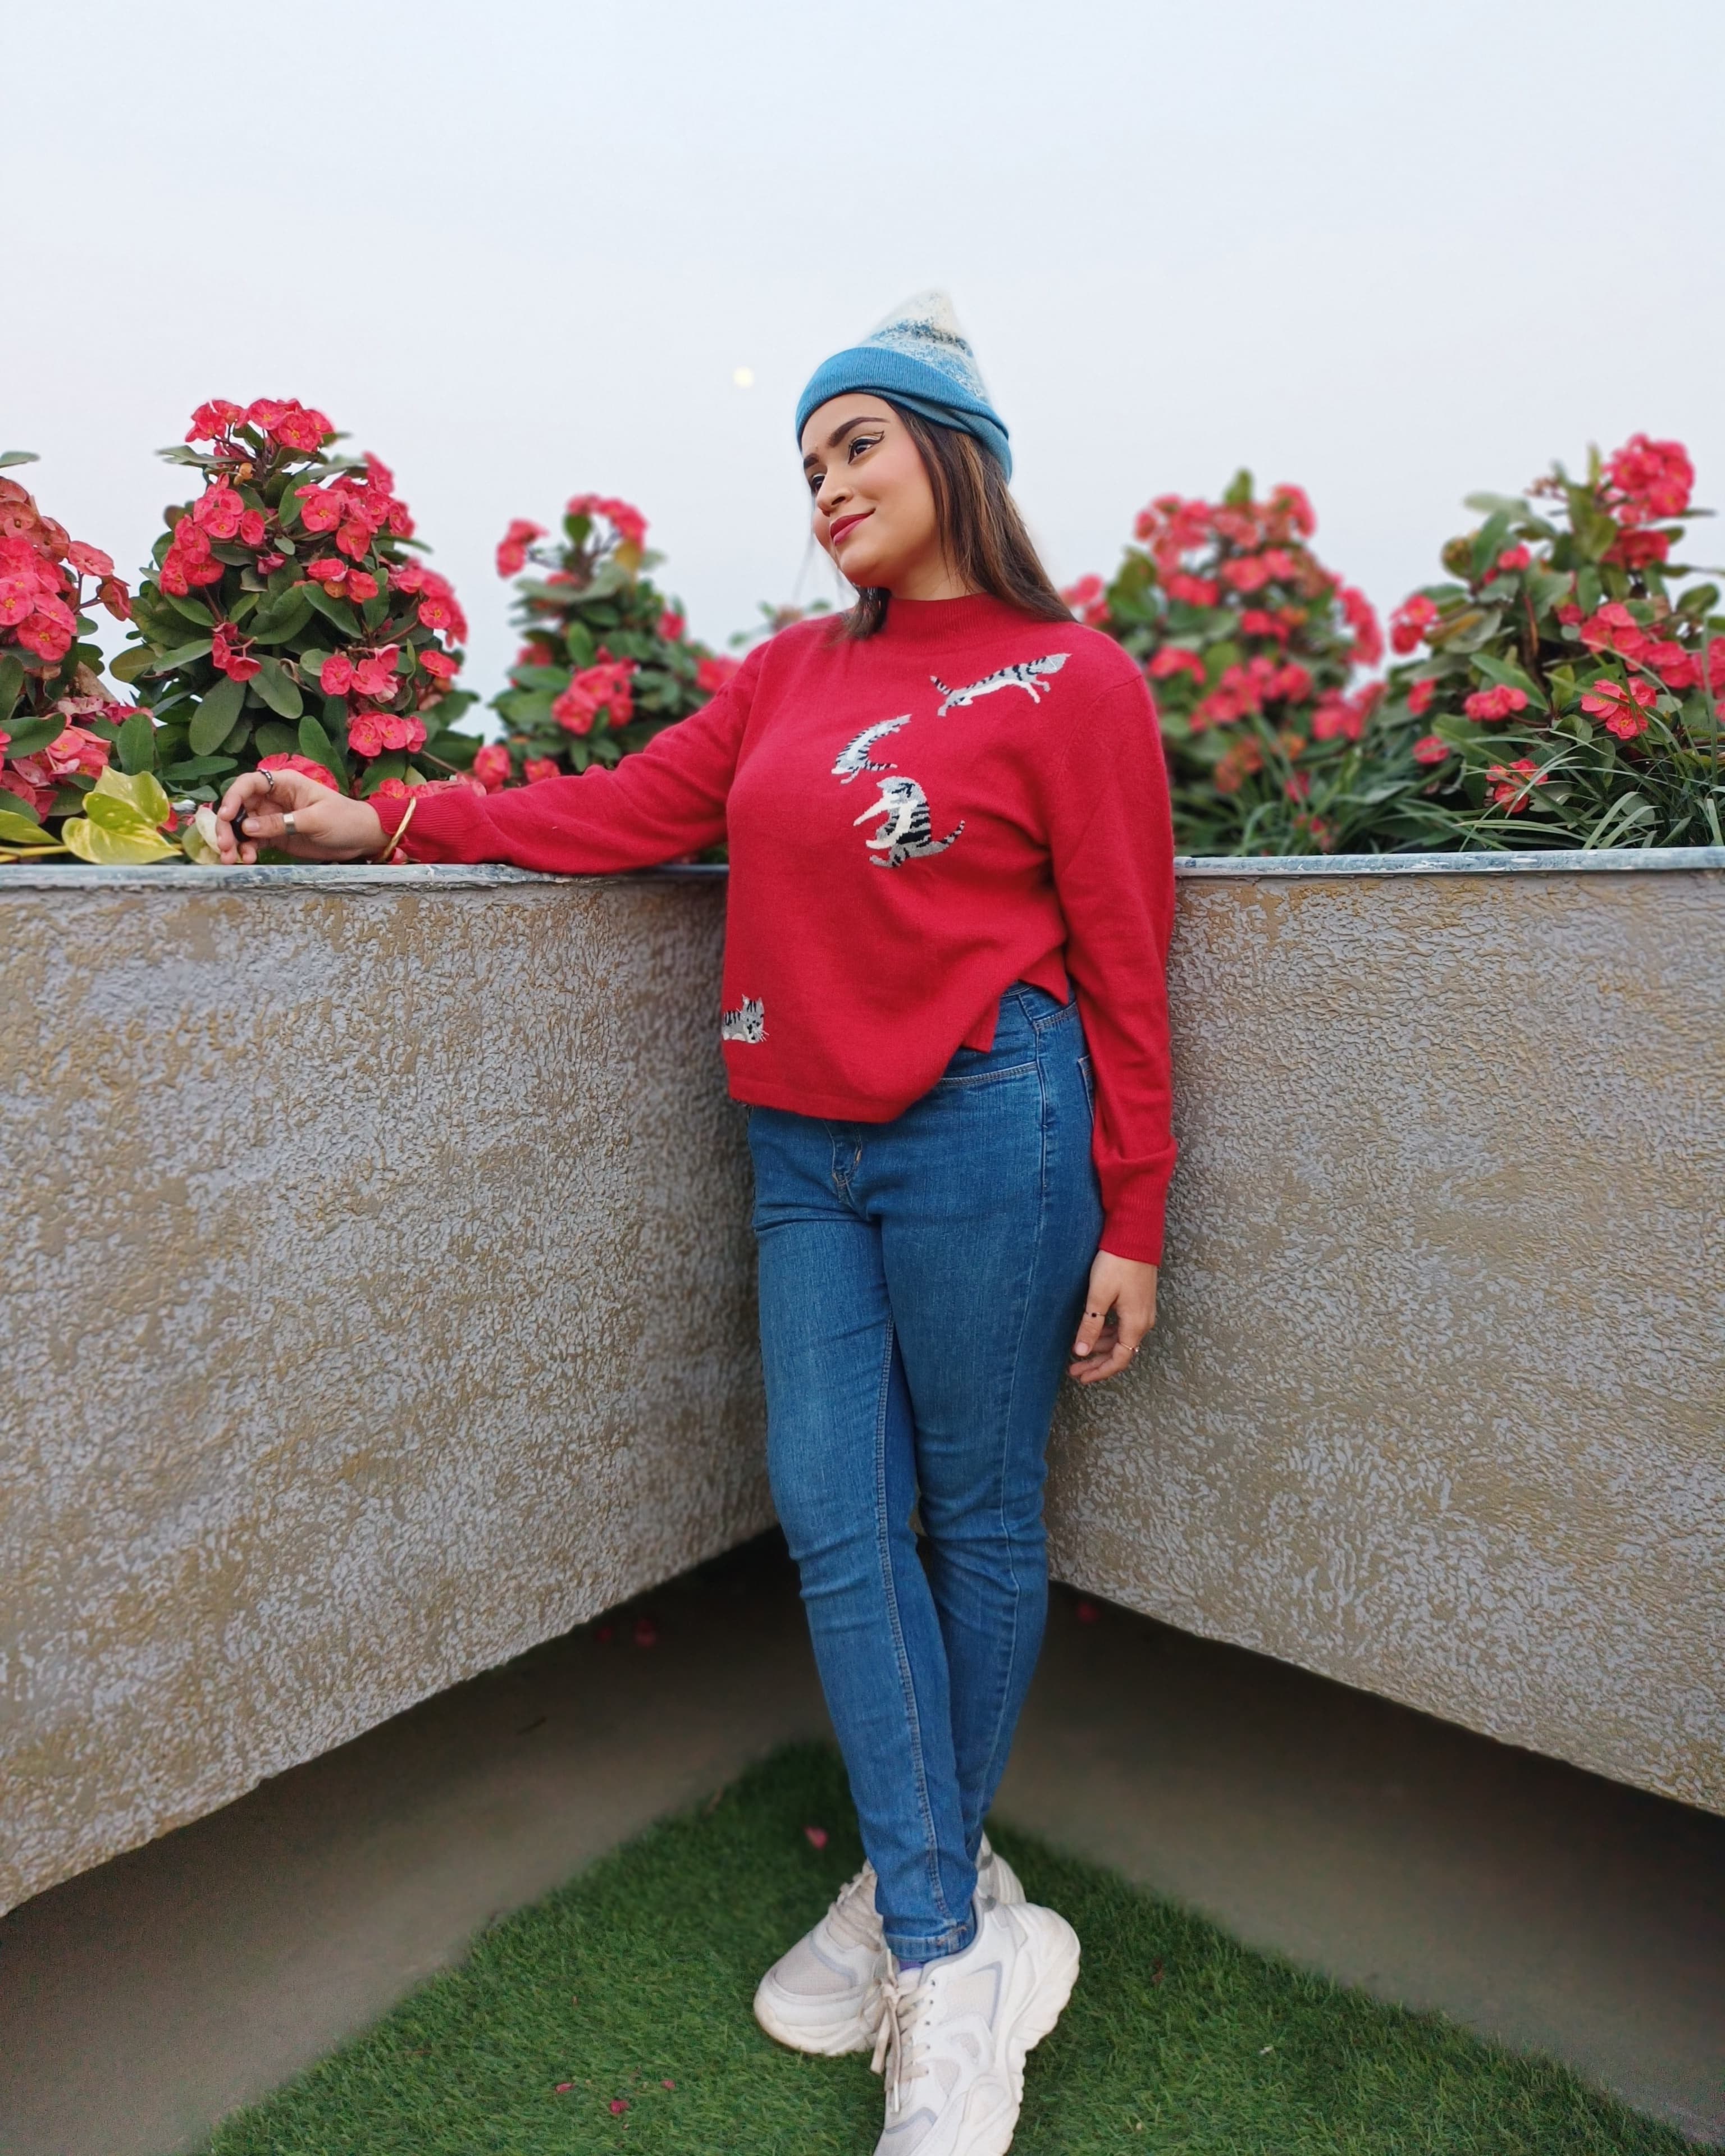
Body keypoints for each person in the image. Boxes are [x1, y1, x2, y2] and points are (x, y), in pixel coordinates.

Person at [216, 290, 1175, 2156]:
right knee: (835, 1519)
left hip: (996, 1122)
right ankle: (946, 1922)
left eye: (858, 445)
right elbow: (624, 809)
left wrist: (1134, 1208)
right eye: (809, 462)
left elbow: (1131, 957)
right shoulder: (788, 679)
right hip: (802, 1145)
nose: (828, 487)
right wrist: (385, 820)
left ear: (955, 453)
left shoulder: (1072, 682)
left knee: (978, 1517)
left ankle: (921, 1934)